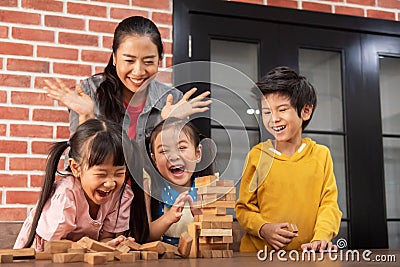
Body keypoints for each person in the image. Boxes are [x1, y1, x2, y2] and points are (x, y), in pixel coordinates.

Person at [43, 15, 211, 145]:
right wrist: (88, 117)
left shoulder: (172, 99)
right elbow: (78, 163)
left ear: (159, 60)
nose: (138, 71)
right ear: (115, 58)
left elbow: (175, 166)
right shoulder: (90, 92)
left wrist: (168, 124)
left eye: (148, 62)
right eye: (129, 61)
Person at [235, 66, 342, 252]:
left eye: (282, 110)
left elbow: (329, 205)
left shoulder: (321, 155)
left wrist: (321, 237)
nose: (273, 119)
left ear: (306, 111)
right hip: (258, 257)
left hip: (306, 257)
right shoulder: (257, 156)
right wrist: (263, 229)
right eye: (267, 112)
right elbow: (244, 208)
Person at [13, 119, 145, 251]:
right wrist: (84, 246)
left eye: (119, 173)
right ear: (76, 168)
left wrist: (115, 244)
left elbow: (106, 238)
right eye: (101, 174)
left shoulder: (121, 195)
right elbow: (51, 246)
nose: (110, 183)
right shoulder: (66, 194)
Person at [145, 117, 214, 245]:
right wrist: (169, 217)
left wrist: (203, 220)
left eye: (181, 147)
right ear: (154, 159)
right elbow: (145, 236)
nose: (174, 156)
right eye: (164, 151)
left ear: (198, 153)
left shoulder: (210, 187)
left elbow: (218, 237)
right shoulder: (150, 188)